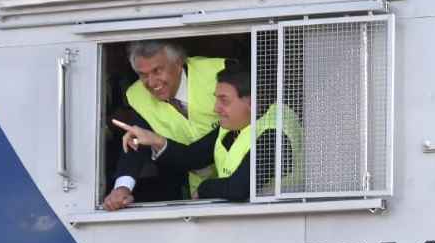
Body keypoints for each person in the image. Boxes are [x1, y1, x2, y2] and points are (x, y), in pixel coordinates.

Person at [114, 63, 304, 201]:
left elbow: (238, 188)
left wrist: (203, 189)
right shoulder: (237, 123)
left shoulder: (274, 134)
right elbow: (192, 157)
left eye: (224, 100)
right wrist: (154, 140)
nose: (216, 108)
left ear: (251, 102)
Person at [103, 41, 227, 210]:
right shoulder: (137, 95)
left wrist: (158, 141)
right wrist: (122, 188)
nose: (151, 82)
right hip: (202, 192)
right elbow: (135, 141)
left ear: (178, 64)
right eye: (143, 75)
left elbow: (202, 152)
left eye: (157, 71)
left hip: (251, 182)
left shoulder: (220, 73)